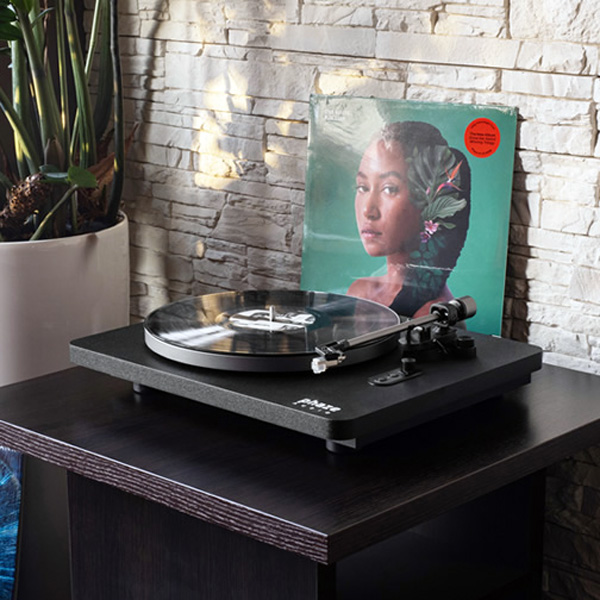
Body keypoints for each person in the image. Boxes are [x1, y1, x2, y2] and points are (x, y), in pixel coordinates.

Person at [347, 121, 471, 318]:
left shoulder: (433, 315)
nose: (367, 211)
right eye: (363, 187)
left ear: (429, 200)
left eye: (389, 189)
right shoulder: (359, 292)